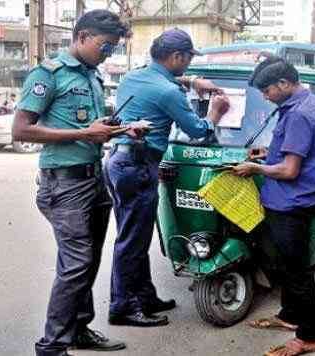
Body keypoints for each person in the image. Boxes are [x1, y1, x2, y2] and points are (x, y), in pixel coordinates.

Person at [12, 9, 131, 356]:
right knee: (76, 263)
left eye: (112, 49)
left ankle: (79, 328)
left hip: (93, 179)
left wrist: (119, 128)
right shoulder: (49, 74)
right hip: (64, 186)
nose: (107, 54)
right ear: (81, 36)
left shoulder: (92, 76)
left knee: (89, 260)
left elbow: (91, 130)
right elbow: (22, 129)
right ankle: (52, 346)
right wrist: (85, 132)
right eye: (105, 46)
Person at [104, 28, 229, 327]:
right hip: (139, 164)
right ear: (176, 57)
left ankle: (145, 296)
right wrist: (215, 112)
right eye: (187, 59)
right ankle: (122, 307)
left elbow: (163, 81)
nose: (187, 64)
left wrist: (191, 80)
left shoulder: (133, 76)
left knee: (134, 236)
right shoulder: (169, 92)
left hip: (119, 162)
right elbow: (199, 132)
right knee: (131, 241)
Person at [233, 56, 315, 356]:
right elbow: (303, 149)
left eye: (267, 90)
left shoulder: (298, 114)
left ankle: (308, 337)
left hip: (292, 202)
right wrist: (269, 152)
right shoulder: (313, 103)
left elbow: (290, 170)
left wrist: (256, 169)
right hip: (303, 197)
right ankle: (290, 316)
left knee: (297, 271)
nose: (265, 96)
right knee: (287, 264)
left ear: (284, 83)